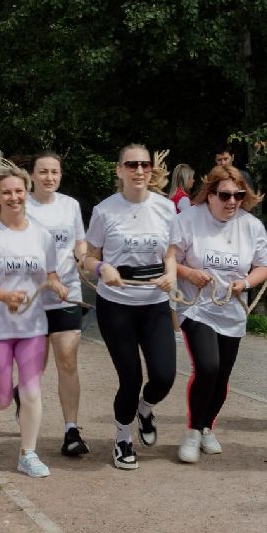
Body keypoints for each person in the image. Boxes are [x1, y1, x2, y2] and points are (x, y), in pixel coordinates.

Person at [0, 151, 69, 478]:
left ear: (26, 192)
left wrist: (56, 285)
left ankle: (27, 454)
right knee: (3, 398)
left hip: (33, 327)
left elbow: (50, 274)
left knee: (31, 391)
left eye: (19, 191)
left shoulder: (42, 236)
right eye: (8, 192)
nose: (14, 197)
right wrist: (4, 296)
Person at [82, 144, 179, 469]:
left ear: (151, 169)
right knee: (131, 378)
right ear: (119, 169)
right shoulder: (105, 210)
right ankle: (123, 439)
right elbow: (87, 257)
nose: (139, 170)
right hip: (117, 306)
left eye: (144, 164)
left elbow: (170, 253)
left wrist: (170, 275)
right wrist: (101, 269)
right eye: (131, 164)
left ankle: (145, 409)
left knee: (164, 376)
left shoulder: (166, 208)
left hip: (154, 303)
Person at [170, 163, 267, 463]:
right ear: (210, 194)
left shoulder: (251, 226)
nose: (232, 202)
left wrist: (245, 283)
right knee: (208, 367)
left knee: (222, 376)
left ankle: (206, 427)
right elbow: (169, 259)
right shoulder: (189, 219)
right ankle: (191, 432)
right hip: (196, 307)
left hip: (232, 311)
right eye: (225, 195)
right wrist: (189, 273)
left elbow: (264, 266)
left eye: (238, 195)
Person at [24, 151, 90, 457]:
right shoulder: (21, 203)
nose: (49, 177)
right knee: (36, 366)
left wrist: (82, 256)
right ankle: (23, 403)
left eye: (55, 172)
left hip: (68, 292)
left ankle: (71, 431)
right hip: (33, 296)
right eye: (43, 172)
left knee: (67, 359)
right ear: (32, 175)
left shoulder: (70, 205)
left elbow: (79, 241)